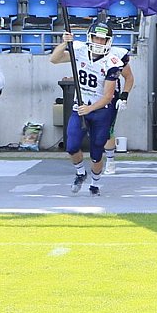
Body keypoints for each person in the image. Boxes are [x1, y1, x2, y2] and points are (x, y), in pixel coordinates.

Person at [52, 21, 125, 196]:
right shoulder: (80, 50)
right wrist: (64, 43)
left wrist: (90, 109)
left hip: (101, 110)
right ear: (89, 38)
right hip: (81, 106)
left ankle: (95, 183)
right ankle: (80, 173)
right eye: (96, 38)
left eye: (102, 39)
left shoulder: (112, 62)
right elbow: (54, 59)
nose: (98, 42)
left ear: (108, 41)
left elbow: (108, 96)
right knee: (71, 146)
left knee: (96, 152)